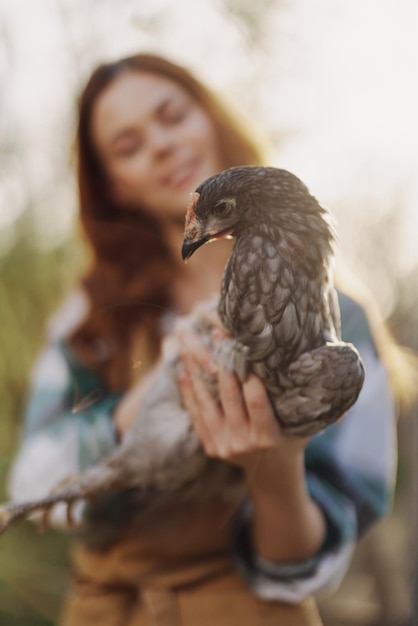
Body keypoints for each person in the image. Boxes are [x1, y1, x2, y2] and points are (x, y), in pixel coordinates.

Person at [8, 53, 400, 626]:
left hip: (250, 610)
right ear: (114, 184)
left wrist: (274, 465)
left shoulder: (346, 318)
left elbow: (321, 552)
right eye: (128, 146)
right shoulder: (90, 317)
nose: (162, 145)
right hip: (106, 610)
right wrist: (136, 407)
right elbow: (31, 482)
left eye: (171, 116)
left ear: (211, 118)